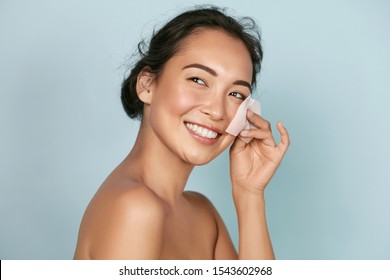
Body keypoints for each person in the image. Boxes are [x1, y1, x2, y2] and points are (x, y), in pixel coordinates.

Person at [74, 6, 289, 260]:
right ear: (147, 85)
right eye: (198, 80)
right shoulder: (134, 209)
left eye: (235, 94)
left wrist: (249, 195)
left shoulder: (203, 216)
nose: (217, 111)